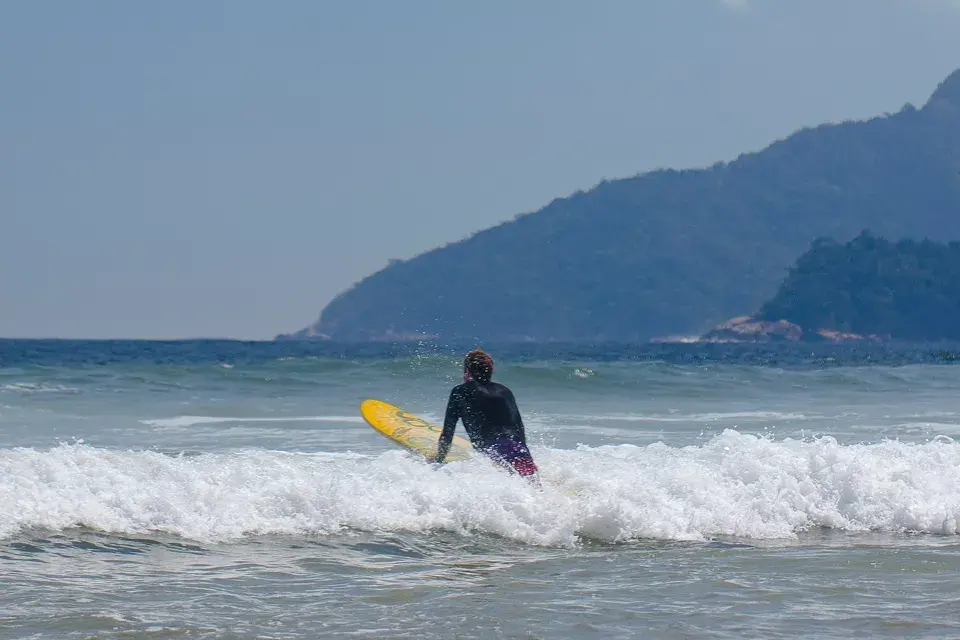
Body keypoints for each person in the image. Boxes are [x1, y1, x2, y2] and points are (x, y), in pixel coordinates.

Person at [432, 349, 539, 483]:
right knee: (532, 489)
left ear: (467, 371)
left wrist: (438, 459)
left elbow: (448, 432)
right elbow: (519, 429)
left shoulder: (460, 391)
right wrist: (527, 457)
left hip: (493, 451)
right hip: (519, 449)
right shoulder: (505, 391)